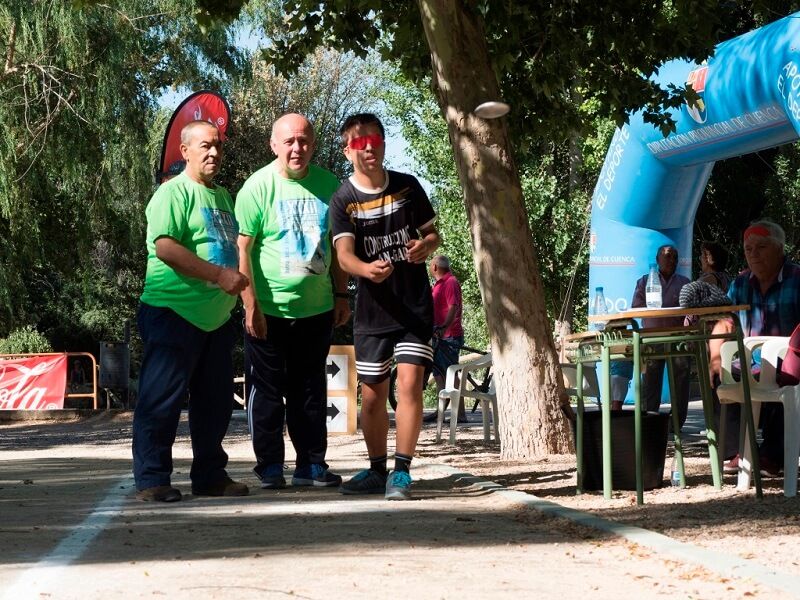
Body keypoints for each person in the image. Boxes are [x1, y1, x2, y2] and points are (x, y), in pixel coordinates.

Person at [132, 120, 250, 503]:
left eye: (217, 145)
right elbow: (165, 247)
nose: (213, 152)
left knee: (214, 404)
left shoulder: (223, 197)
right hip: (173, 312)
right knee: (160, 400)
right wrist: (218, 275)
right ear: (184, 151)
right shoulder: (173, 193)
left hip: (216, 319)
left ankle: (210, 476)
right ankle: (152, 479)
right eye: (204, 146)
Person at [235, 113, 351, 490]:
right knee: (267, 393)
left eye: (303, 141)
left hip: (316, 311)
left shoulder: (330, 186)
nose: (297, 148)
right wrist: (250, 304)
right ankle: (269, 467)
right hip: (268, 312)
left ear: (313, 145)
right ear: (274, 146)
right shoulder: (257, 187)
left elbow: (339, 248)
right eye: (289, 142)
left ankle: (311, 465)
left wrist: (340, 294)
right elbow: (243, 251)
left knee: (311, 391)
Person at [330, 113, 440, 500]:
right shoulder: (344, 200)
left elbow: (432, 235)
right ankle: (376, 468)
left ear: (383, 143)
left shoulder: (409, 186)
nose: (368, 147)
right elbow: (343, 257)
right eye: (359, 143)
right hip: (372, 314)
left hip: (414, 308)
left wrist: (426, 247)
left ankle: (402, 471)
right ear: (348, 151)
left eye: (374, 139)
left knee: (409, 384)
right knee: (372, 394)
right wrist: (365, 269)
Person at [709, 219, 800, 476]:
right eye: (748, 249)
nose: (753, 254)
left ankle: (772, 457)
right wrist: (715, 357)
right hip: (751, 362)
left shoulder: (796, 278)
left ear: (779, 248)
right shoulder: (740, 283)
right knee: (721, 374)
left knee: (784, 380)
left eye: (761, 247)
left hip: (790, 362)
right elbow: (725, 321)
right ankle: (738, 451)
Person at [631, 245, 692, 427]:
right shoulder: (644, 281)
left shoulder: (685, 283)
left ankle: (676, 424)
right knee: (650, 383)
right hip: (652, 339)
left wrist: (687, 328)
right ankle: (650, 423)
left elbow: (692, 312)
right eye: (667, 256)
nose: (671, 260)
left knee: (681, 382)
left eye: (674, 257)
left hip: (678, 339)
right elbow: (636, 307)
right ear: (657, 260)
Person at [422, 254, 466, 423]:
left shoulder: (450, 282)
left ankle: (460, 414)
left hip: (449, 335)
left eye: (430, 265)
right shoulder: (439, 284)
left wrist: (444, 327)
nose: (429, 268)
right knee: (439, 374)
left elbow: (453, 307)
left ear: (434, 267)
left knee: (452, 373)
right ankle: (440, 411)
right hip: (439, 335)